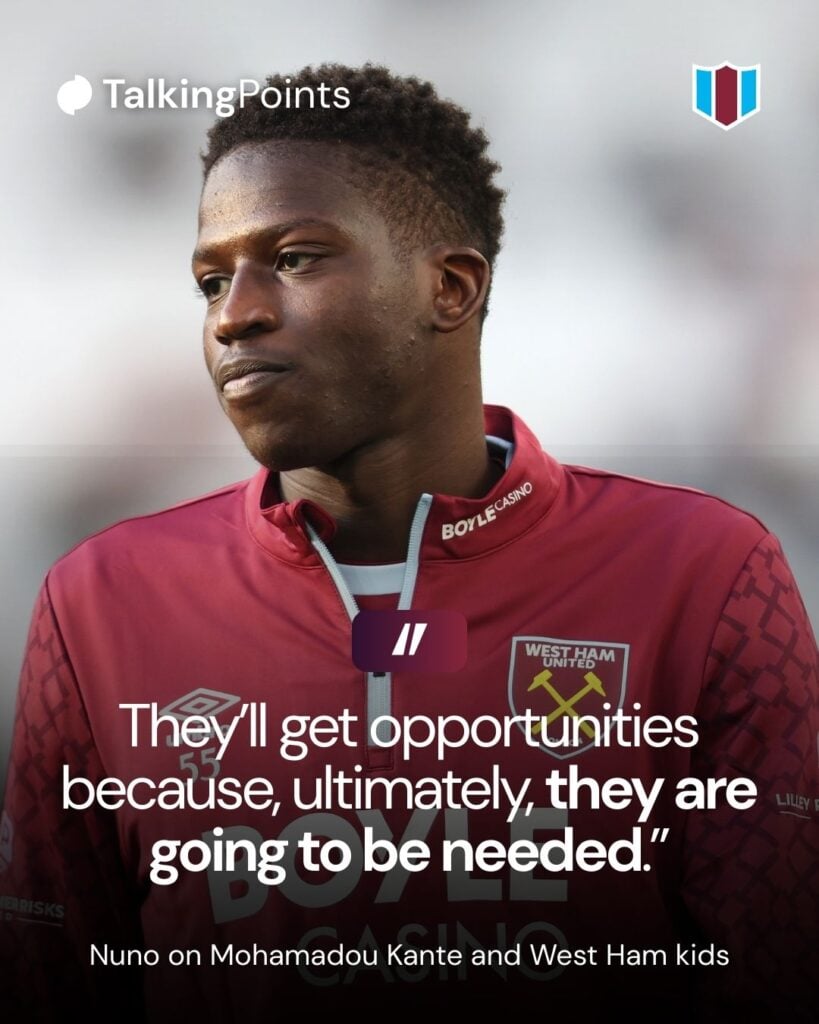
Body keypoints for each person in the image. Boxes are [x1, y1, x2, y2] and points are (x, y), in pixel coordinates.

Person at [1, 63, 816, 1022]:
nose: (233, 315)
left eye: (296, 258)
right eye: (212, 280)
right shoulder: (101, 599)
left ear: (451, 287)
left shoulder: (705, 572)